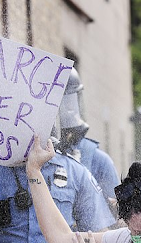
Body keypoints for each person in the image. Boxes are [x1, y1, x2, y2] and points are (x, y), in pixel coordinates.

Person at [57, 66, 120, 207]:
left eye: (69, 103)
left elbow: (118, 220)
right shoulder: (26, 161)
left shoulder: (98, 161)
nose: (66, 110)